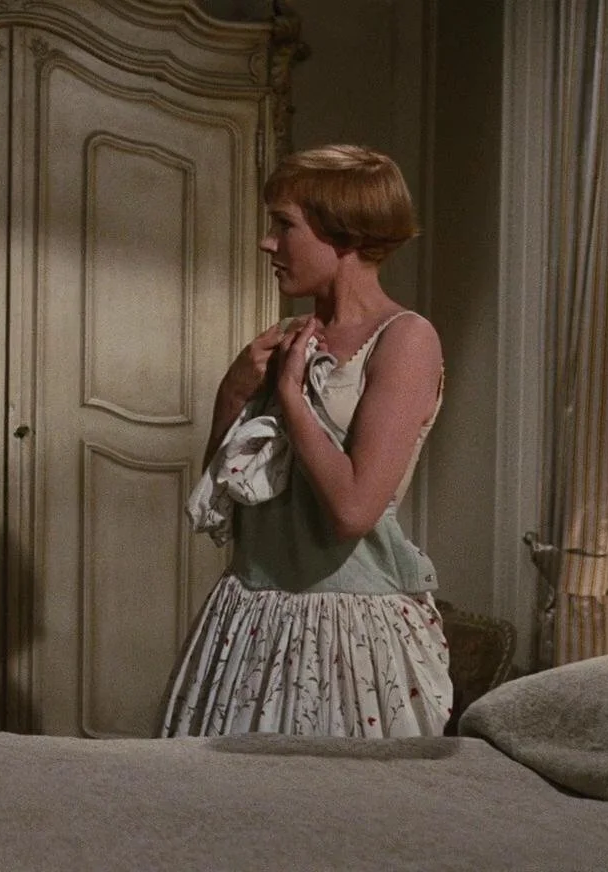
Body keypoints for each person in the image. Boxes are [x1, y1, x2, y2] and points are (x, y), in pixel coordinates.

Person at [161, 144, 453, 738]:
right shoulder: (291, 335)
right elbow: (228, 496)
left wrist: (291, 399)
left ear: (343, 234)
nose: (268, 243)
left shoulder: (405, 340)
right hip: (249, 613)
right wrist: (232, 391)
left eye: (284, 225)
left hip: (348, 630)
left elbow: (353, 510)